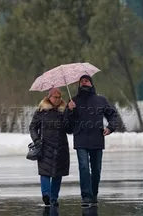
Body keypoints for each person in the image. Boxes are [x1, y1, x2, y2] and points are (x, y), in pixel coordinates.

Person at [65, 75, 118, 207]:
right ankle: (86, 196)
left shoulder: (101, 100)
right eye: (81, 81)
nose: (84, 82)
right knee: (83, 167)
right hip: (80, 138)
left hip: (97, 138)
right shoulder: (73, 101)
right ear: (79, 85)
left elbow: (112, 115)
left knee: (96, 170)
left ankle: (93, 194)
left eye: (86, 80)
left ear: (91, 83)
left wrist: (110, 127)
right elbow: (67, 126)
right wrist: (69, 110)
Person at [29, 88, 71, 207]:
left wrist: (71, 112)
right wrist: (36, 140)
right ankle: (46, 195)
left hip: (61, 146)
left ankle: (54, 197)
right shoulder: (41, 111)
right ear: (49, 97)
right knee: (45, 172)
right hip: (44, 145)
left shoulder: (64, 111)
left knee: (58, 173)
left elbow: (70, 129)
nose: (57, 100)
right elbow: (32, 127)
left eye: (59, 97)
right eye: (55, 97)